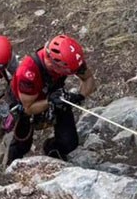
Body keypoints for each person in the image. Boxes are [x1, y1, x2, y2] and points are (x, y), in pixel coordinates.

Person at [5, 34, 96, 162]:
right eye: (67, 72)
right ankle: (11, 167)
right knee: (22, 144)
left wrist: (78, 96)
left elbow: (89, 79)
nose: (70, 74)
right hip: (26, 102)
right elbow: (28, 108)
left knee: (69, 142)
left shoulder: (71, 60)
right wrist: (49, 101)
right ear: (51, 63)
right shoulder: (27, 72)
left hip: (55, 94)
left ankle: (53, 151)